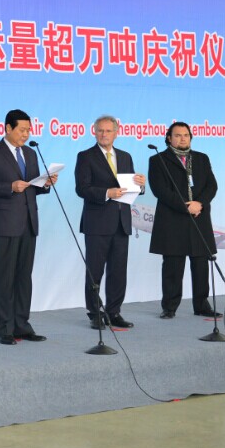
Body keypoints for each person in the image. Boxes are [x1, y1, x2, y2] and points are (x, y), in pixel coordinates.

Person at [0, 109, 57, 345]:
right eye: (22, 130)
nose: (26, 134)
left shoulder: (30, 153)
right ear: (8, 128)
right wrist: (10, 186)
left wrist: (45, 184)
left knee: (23, 277)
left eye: (28, 130)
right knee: (4, 277)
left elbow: (31, 187)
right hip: (4, 224)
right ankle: (3, 328)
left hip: (28, 222)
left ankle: (21, 325)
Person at [74, 115, 146, 329]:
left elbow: (130, 188)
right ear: (94, 132)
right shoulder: (85, 156)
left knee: (118, 271)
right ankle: (95, 313)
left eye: (108, 131)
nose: (104, 134)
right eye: (100, 130)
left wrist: (141, 185)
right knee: (94, 271)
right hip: (97, 223)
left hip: (121, 222)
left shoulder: (125, 156)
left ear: (116, 133)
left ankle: (114, 312)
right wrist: (107, 192)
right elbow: (82, 189)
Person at [148, 122, 219, 318]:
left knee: (201, 264)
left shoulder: (202, 158)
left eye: (186, 135)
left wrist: (199, 203)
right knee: (173, 266)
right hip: (172, 219)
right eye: (177, 135)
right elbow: (160, 190)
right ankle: (169, 307)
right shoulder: (158, 160)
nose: (182, 139)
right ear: (169, 138)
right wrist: (186, 206)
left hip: (199, 217)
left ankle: (202, 305)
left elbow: (212, 186)